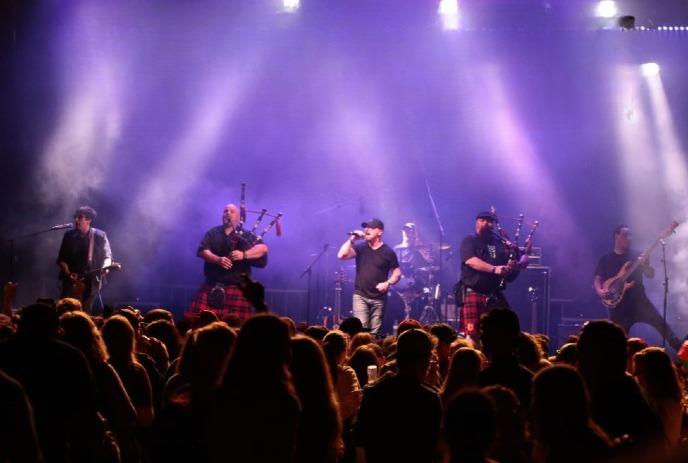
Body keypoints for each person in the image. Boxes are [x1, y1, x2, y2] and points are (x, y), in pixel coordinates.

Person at [593, 224, 681, 350]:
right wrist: (600, 291)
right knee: (617, 342)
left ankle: (683, 355)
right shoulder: (606, 259)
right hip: (618, 307)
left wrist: (645, 265)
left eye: (630, 235)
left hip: (640, 301)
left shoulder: (638, 255)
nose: (629, 238)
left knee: (663, 327)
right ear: (616, 236)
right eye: (625, 235)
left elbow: (650, 275)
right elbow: (597, 278)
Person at [188, 203, 268, 322]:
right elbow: (203, 251)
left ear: (240, 217)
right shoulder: (213, 233)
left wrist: (244, 255)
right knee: (197, 323)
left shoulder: (247, 235)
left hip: (237, 287)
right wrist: (218, 259)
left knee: (238, 327)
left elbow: (263, 248)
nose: (227, 213)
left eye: (232, 211)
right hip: (212, 285)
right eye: (225, 211)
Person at [457, 211, 526, 339]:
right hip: (474, 292)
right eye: (485, 221)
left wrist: (513, 266)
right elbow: (471, 261)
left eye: (491, 222)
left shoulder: (498, 244)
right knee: (472, 336)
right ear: (478, 222)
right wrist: (494, 269)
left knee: (507, 330)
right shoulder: (470, 240)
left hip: (494, 293)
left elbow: (506, 271)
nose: (489, 224)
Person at [337, 218, 401, 335]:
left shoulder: (388, 252)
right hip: (360, 295)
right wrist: (352, 239)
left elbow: (397, 273)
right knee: (361, 331)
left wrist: (387, 283)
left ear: (380, 232)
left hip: (379, 298)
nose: (366, 229)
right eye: (365, 227)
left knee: (374, 333)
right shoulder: (361, 248)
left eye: (370, 227)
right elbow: (342, 255)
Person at [57, 205, 113, 313]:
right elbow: (61, 259)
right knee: (65, 311)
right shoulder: (69, 235)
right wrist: (68, 274)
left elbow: (108, 256)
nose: (76, 220)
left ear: (89, 220)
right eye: (76, 217)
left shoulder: (100, 235)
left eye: (79, 217)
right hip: (70, 281)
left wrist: (106, 267)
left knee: (85, 312)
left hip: (90, 282)